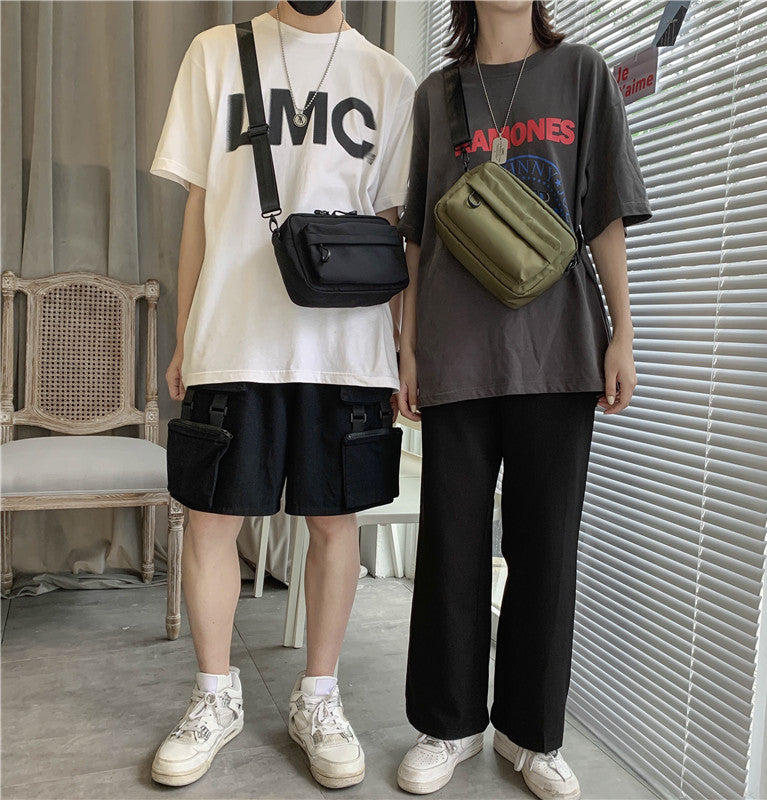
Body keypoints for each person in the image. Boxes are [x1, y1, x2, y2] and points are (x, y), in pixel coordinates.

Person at [148, 0, 414, 789]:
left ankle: (319, 697)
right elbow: (199, 207)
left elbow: (393, 228)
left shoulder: (388, 78)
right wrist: (185, 334)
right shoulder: (215, 53)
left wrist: (403, 346)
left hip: (346, 347)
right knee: (211, 519)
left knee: (335, 524)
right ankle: (214, 694)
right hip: (235, 334)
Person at [395, 1, 652, 797]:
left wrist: (623, 332)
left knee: (546, 550)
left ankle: (530, 735)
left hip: (560, 349)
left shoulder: (582, 74)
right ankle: (448, 726)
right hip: (456, 351)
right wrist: (407, 347)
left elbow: (603, 213)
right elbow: (417, 235)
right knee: (452, 548)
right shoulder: (437, 94)